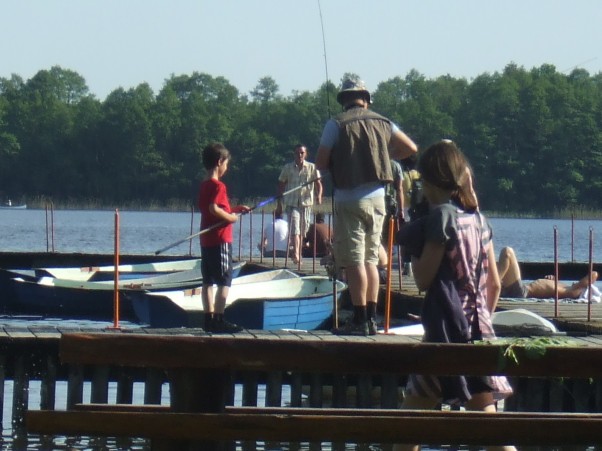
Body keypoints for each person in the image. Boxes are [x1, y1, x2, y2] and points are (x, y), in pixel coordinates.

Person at [393, 140, 515, 451]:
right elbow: (495, 285)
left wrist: (413, 252)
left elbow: (422, 279)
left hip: (445, 336)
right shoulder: (478, 219)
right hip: (478, 331)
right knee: (488, 424)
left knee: (408, 426)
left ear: (432, 180)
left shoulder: (442, 217)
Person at [315, 75, 418, 336]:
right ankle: (371, 318)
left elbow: (321, 164)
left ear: (344, 100)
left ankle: (359, 319)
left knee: (354, 261)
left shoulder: (335, 124)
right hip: (378, 200)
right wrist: (385, 155)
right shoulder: (384, 122)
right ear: (366, 99)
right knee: (372, 260)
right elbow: (411, 147)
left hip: (349, 200)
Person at [198, 143, 250, 333]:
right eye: (226, 164)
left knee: (208, 281)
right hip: (220, 240)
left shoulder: (204, 185)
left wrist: (234, 209)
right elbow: (214, 208)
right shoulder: (219, 185)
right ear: (219, 162)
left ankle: (208, 319)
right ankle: (219, 320)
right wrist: (232, 218)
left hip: (206, 240)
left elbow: (214, 209)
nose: (226, 168)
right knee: (224, 280)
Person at [278, 144, 323, 264]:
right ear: (294, 154)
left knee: (303, 229)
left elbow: (318, 184)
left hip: (306, 203)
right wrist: (280, 200)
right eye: (297, 153)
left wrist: (319, 195)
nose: (299, 155)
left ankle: (299, 252)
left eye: (302, 153)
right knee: (295, 229)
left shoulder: (312, 167)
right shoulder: (288, 167)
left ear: (306, 154)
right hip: (292, 203)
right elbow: (281, 183)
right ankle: (296, 254)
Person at [498, 246, 599, 299]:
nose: (575, 282)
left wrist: (580, 285)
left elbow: (594, 274)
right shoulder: (564, 287)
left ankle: (494, 285)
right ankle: (494, 284)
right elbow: (548, 288)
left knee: (507, 252)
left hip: (521, 292)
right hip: (521, 289)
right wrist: (552, 280)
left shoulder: (573, 291)